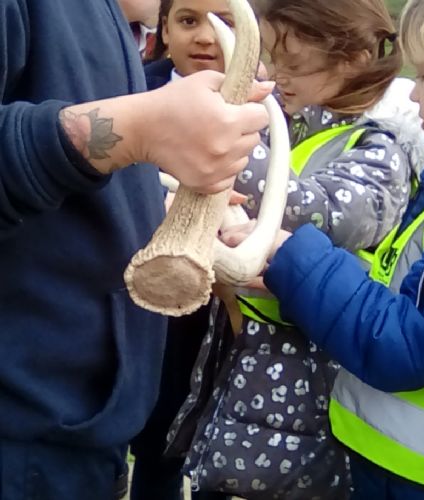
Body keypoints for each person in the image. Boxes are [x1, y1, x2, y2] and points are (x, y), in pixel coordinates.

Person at [223, 0, 424, 498]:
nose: (412, 93)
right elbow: (400, 293)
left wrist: (296, 259)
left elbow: (409, 343)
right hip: (399, 468)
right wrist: (293, 279)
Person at [0, 0, 271, 499]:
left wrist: (148, 208)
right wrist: (135, 130)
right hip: (23, 445)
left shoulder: (109, 18)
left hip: (75, 441)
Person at [169, 0, 424, 498]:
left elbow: (324, 212)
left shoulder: (383, 149)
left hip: (310, 394)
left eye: (295, 64)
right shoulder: (294, 124)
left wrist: (228, 144)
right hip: (253, 375)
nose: (277, 75)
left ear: (354, 59)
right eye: (273, 59)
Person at [129, 1, 233, 498]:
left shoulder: (272, 108)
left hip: (221, 310)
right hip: (136, 295)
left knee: (193, 442)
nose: (206, 37)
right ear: (164, 30)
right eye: (188, 21)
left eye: (225, 22)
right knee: (141, 436)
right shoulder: (129, 93)